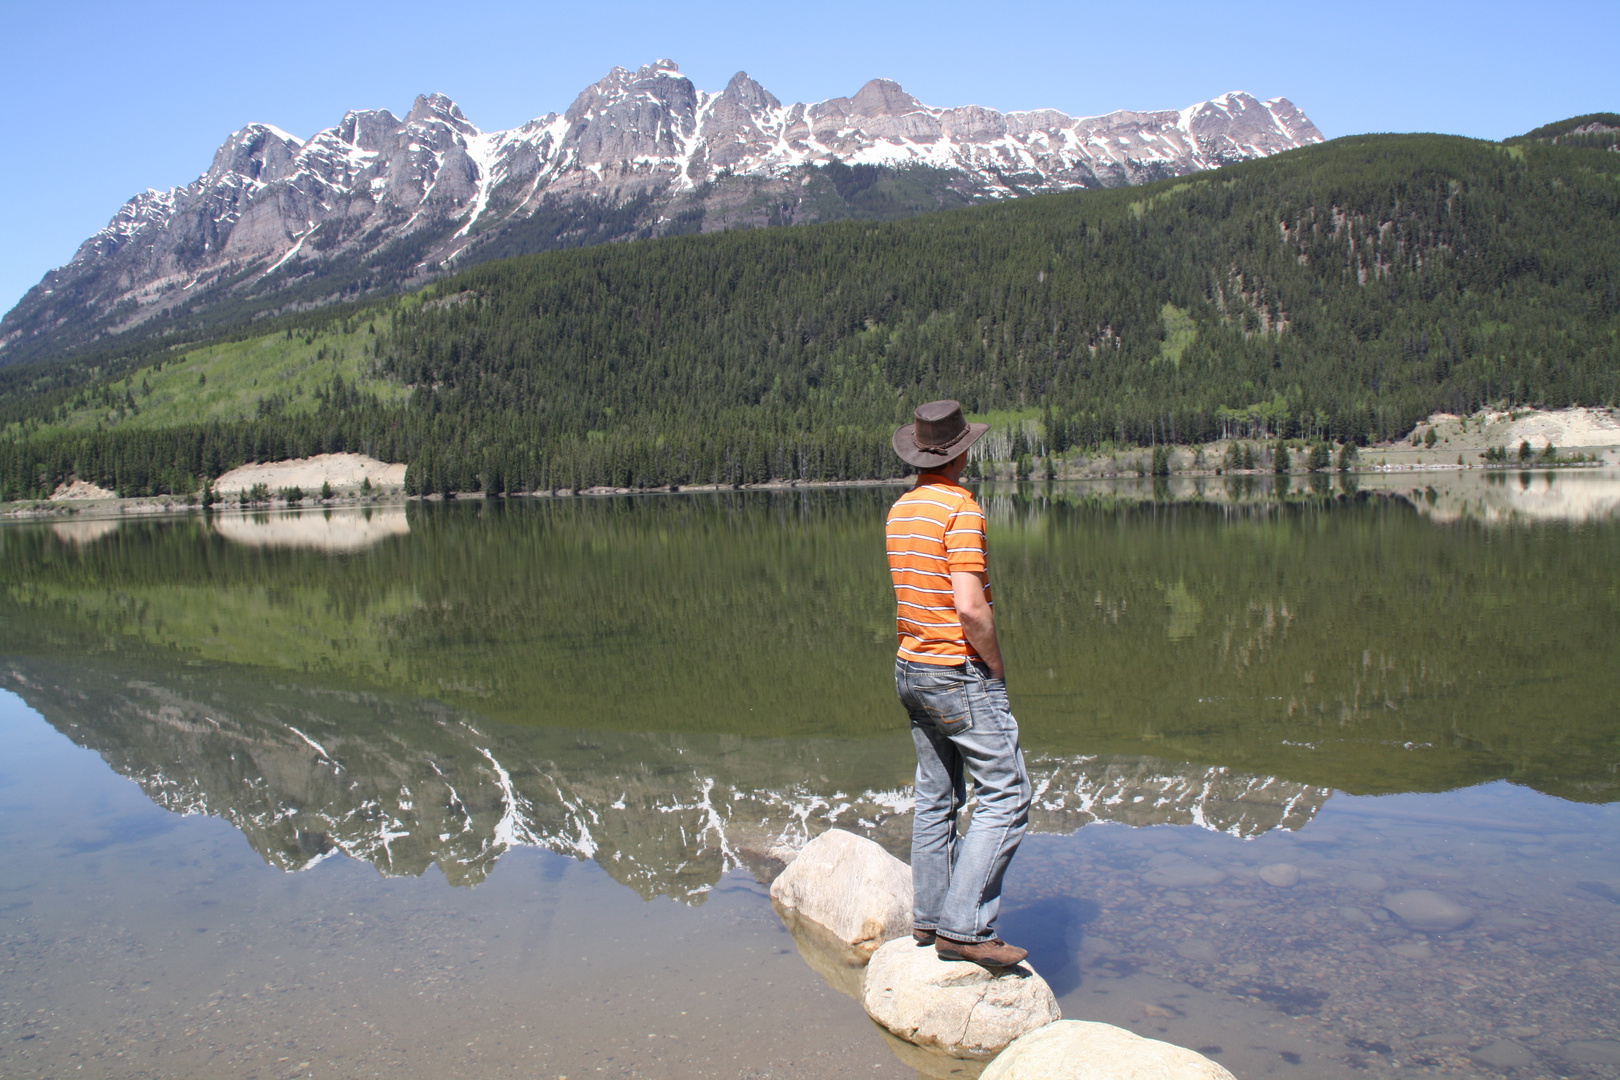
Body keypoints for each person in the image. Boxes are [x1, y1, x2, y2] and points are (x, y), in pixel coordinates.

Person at [886, 399, 1032, 969]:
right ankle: (966, 928)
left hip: (911, 667)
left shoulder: (901, 510)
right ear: (960, 452)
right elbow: (970, 609)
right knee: (1008, 794)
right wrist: (994, 669)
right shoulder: (961, 509)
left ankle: (929, 920)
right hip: (954, 670)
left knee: (937, 796)